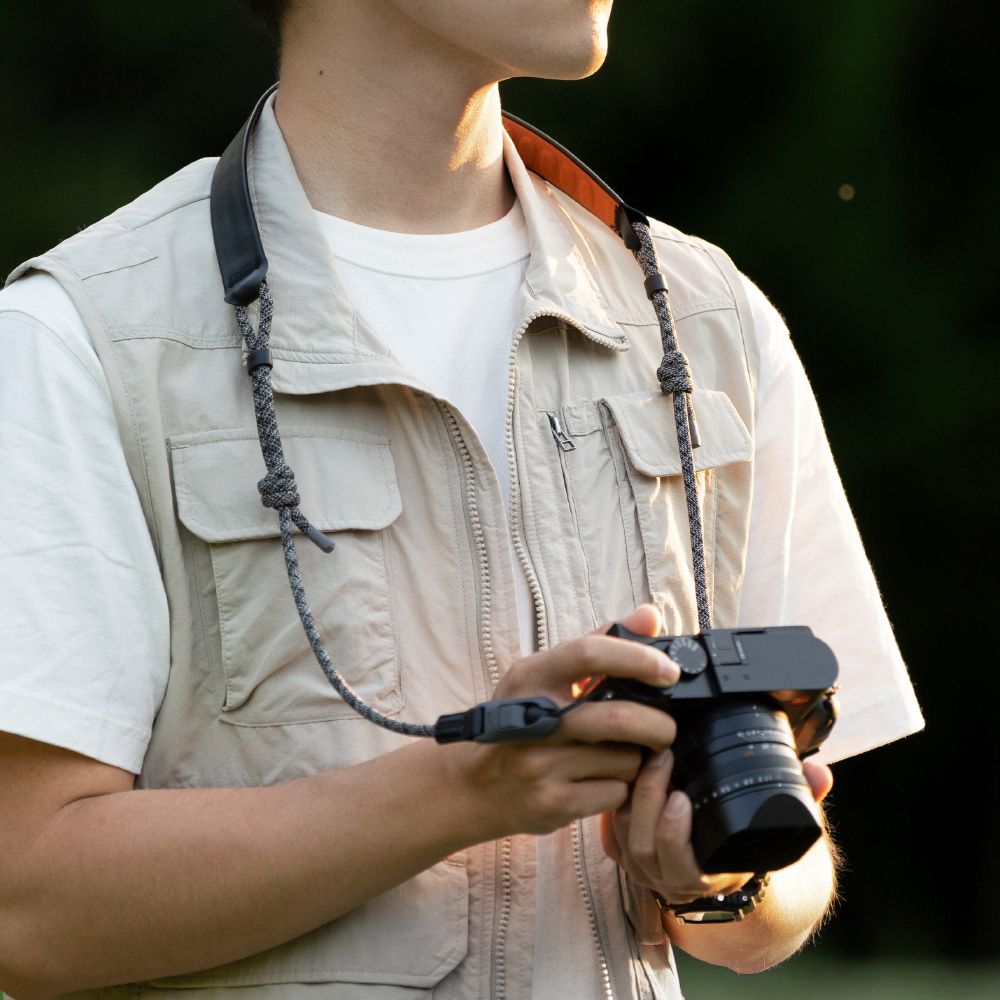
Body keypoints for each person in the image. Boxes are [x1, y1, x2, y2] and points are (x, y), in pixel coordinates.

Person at [0, 2, 924, 998]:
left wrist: (719, 878)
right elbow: (29, 910)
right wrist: (459, 790)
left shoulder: (703, 324)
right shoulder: (79, 341)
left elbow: (781, 887)